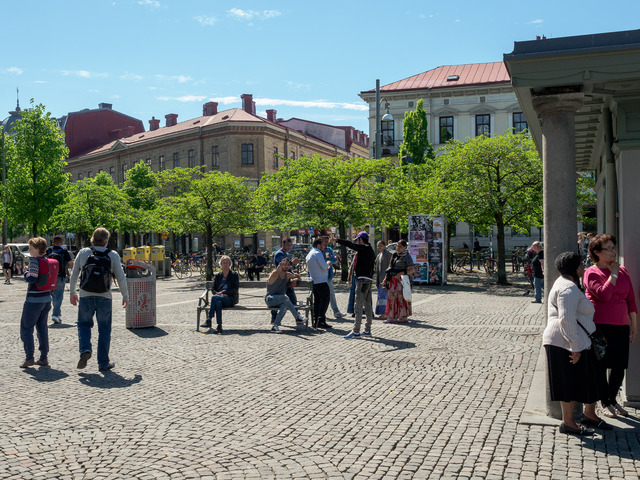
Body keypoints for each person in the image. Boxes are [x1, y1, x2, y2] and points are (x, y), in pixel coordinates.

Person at [542, 251, 605, 436]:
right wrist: (574, 346)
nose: (583, 267)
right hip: (564, 342)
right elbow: (566, 319)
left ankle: (575, 420)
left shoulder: (567, 284)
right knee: (567, 383)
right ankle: (569, 423)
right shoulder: (567, 288)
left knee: (572, 382)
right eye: (581, 264)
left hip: (567, 341)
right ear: (574, 267)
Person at [584, 234, 638, 418]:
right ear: (597, 252)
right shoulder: (591, 272)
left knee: (619, 365)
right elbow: (603, 295)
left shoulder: (623, 270)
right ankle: (605, 402)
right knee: (601, 365)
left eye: (614, 247)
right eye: (609, 248)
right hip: (600, 325)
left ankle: (612, 399)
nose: (613, 251)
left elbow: (631, 299)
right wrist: (612, 275)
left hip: (621, 324)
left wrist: (634, 325)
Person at [69, 227, 129, 371]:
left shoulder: (83, 252)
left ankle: (85, 350)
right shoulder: (113, 255)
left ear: (92, 239)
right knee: (104, 329)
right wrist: (125, 296)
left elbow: (74, 273)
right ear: (106, 240)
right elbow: (121, 277)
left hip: (85, 295)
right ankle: (103, 362)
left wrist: (72, 292)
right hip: (105, 297)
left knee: (83, 324)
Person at [19, 237, 53, 368]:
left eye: (31, 248)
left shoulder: (34, 262)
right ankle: (43, 357)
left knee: (26, 329)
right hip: (46, 298)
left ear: (38, 249)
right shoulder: (47, 261)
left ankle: (29, 357)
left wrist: (25, 271)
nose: (29, 250)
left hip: (33, 300)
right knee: (42, 328)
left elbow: (32, 279)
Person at [336, 232, 376, 339]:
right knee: (367, 305)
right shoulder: (371, 249)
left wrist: (338, 240)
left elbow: (351, 245)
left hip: (362, 280)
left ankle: (356, 331)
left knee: (358, 305)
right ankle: (367, 329)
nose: (356, 242)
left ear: (360, 240)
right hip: (368, 280)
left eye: (357, 240)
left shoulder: (364, 248)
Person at [265, 257, 306, 333]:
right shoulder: (275, 274)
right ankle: (297, 316)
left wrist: (295, 280)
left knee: (284, 306)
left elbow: (298, 277)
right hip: (270, 299)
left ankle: (275, 326)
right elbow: (276, 272)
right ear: (280, 265)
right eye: (284, 265)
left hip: (280, 300)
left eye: (288, 265)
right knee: (285, 297)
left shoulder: (288, 275)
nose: (286, 266)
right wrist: (279, 267)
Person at [200, 255, 239, 334]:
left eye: (227, 263)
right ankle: (219, 326)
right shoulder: (218, 276)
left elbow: (235, 289)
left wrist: (224, 293)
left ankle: (209, 319)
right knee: (217, 303)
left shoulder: (234, 275)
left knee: (214, 298)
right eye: (224, 263)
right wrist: (218, 294)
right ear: (221, 264)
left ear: (230, 264)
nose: (225, 264)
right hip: (219, 298)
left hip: (230, 298)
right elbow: (213, 289)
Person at [270, 238, 302, 326]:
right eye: (287, 245)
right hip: (280, 281)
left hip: (287, 281)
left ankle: (297, 316)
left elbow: (288, 269)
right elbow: (282, 266)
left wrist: (294, 276)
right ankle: (274, 318)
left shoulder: (287, 254)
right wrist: (292, 263)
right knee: (279, 298)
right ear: (283, 244)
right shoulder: (279, 253)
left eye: (290, 245)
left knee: (293, 299)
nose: (289, 247)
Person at [383, 239, 414, 324]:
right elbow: (390, 267)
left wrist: (401, 273)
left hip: (401, 280)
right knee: (392, 298)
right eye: (397, 246)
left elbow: (411, 269)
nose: (398, 248)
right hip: (393, 280)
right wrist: (386, 279)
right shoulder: (394, 255)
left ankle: (402, 316)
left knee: (401, 298)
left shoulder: (407, 256)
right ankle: (391, 316)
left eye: (400, 246)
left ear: (404, 247)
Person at [46, 236, 74, 324]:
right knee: (59, 296)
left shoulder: (49, 251)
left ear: (53, 242)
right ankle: (55, 314)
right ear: (61, 242)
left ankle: (58, 315)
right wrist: (72, 273)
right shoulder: (64, 252)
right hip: (60, 276)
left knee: (54, 295)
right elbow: (70, 263)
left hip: (49, 277)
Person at [306, 237, 333, 329]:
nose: (324, 246)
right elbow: (324, 266)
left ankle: (316, 319)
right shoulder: (318, 253)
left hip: (314, 280)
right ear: (318, 245)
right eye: (323, 244)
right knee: (325, 300)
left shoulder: (310, 254)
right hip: (321, 281)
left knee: (317, 301)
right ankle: (321, 320)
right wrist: (328, 263)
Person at [322, 235, 345, 319]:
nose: (326, 242)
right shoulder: (318, 250)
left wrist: (331, 258)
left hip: (328, 275)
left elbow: (334, 261)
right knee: (321, 296)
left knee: (331, 294)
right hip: (320, 276)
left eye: (327, 241)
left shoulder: (329, 249)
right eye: (324, 240)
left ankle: (336, 311)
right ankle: (321, 313)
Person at [374, 240, 392, 319]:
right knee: (380, 296)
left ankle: (385, 313)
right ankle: (382, 312)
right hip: (379, 279)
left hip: (386, 279)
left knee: (384, 296)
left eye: (381, 245)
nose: (379, 247)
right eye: (378, 246)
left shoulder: (388, 254)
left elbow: (390, 267)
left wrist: (387, 278)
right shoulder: (378, 255)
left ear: (385, 246)